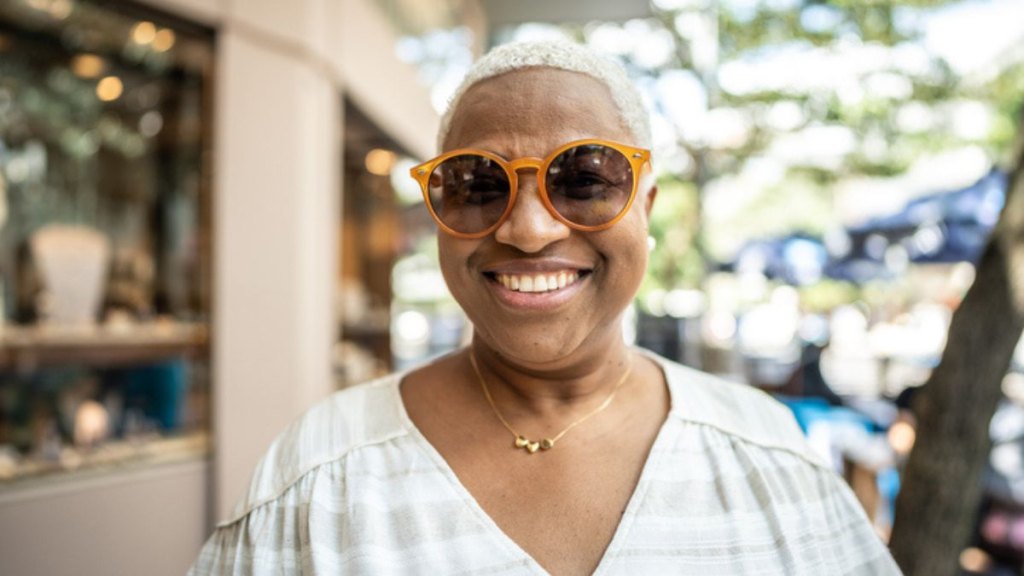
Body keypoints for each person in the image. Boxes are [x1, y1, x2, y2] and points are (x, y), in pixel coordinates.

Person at [191, 41, 900, 575]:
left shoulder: (770, 459)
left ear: (646, 208)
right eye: (477, 185)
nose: (529, 231)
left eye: (584, 180)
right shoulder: (317, 477)